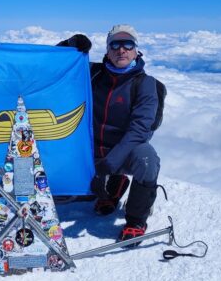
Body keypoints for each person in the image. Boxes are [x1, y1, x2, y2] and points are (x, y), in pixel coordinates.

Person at [57, 25, 161, 245]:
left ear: (136, 50)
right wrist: (69, 46)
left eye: (128, 44)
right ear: (107, 49)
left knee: (147, 158)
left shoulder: (145, 84)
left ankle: (136, 221)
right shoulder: (93, 74)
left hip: (123, 152)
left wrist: (108, 165)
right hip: (89, 150)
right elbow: (55, 66)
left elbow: (140, 130)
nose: (121, 50)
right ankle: (111, 191)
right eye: (115, 44)